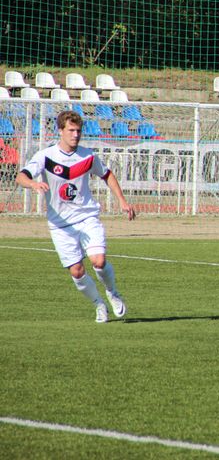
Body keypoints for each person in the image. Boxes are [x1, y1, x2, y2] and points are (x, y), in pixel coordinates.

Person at [16, 110, 136, 323]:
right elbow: (21, 176)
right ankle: (98, 304)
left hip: (87, 217)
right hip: (60, 225)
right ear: (60, 131)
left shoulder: (88, 156)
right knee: (77, 271)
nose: (75, 134)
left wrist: (122, 201)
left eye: (78, 130)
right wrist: (33, 183)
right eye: (71, 130)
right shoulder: (45, 156)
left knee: (99, 261)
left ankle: (112, 293)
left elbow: (107, 175)